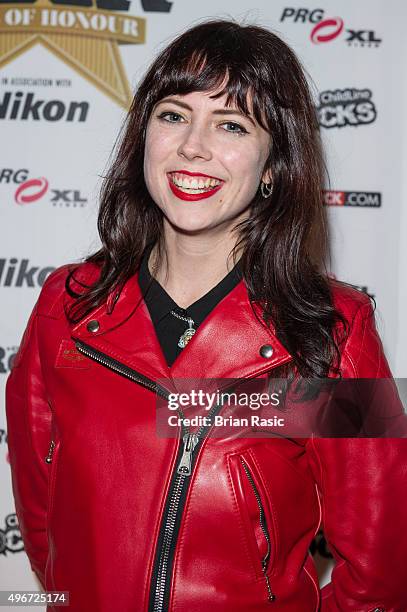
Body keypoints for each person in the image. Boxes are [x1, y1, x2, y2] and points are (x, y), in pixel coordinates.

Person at [5, 18, 407, 612]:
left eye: (231, 124)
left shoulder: (335, 329)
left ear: (274, 166)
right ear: (143, 135)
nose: (193, 145)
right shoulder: (67, 306)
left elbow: (379, 570)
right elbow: (45, 530)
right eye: (173, 115)